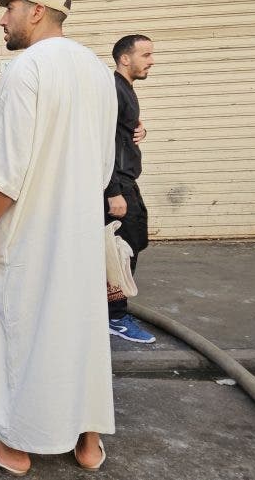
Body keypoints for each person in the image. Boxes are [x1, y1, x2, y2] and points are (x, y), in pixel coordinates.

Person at [0, 0, 116, 475]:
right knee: (83, 327)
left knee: (20, 331)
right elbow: (103, 164)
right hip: (80, 226)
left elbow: (11, 166)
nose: (2, 18)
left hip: (31, 229)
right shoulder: (96, 70)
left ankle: (14, 447)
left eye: (9, 8)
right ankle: (88, 443)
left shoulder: (28, 67)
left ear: (37, 11)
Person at [106, 34, 156, 344]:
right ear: (126, 58)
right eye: (146, 54)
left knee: (131, 244)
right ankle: (115, 317)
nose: (152, 60)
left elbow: (121, 132)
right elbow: (102, 142)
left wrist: (140, 127)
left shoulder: (125, 89)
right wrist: (113, 191)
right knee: (122, 250)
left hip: (125, 181)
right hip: (118, 184)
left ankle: (112, 310)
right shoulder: (114, 89)